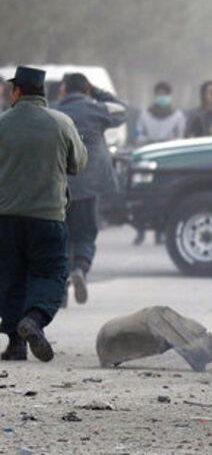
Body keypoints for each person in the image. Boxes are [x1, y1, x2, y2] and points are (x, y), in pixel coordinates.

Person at [0, 67, 87, 361]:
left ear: (16, 92)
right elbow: (78, 163)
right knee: (50, 273)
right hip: (48, 216)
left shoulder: (1, 123)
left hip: (6, 217)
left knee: (11, 276)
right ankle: (34, 320)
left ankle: (15, 344)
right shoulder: (61, 123)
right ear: (42, 93)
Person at [56, 73, 128, 305]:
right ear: (86, 88)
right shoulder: (97, 109)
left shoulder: (54, 111)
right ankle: (80, 269)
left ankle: (62, 285)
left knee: (63, 235)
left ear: (63, 89)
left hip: (60, 183)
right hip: (91, 182)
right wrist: (95, 91)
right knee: (86, 232)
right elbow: (123, 110)